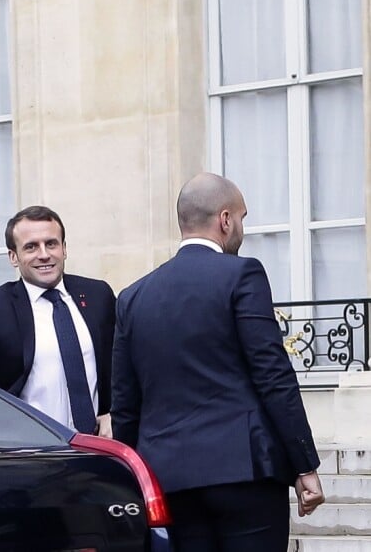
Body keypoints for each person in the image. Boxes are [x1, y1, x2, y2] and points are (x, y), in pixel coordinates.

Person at [111, 173, 324, 551]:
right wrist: (304, 464)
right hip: (244, 472)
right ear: (225, 220)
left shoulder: (133, 296)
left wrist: (136, 479)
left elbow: (125, 403)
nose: (241, 228)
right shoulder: (242, 273)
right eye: (242, 218)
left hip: (169, 476)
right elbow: (272, 375)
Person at [0, 205, 116, 437]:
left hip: (98, 446)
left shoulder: (98, 295)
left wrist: (114, 413)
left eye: (51, 244)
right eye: (31, 247)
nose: (44, 254)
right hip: (29, 451)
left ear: (64, 249)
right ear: (13, 257)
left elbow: (125, 365)